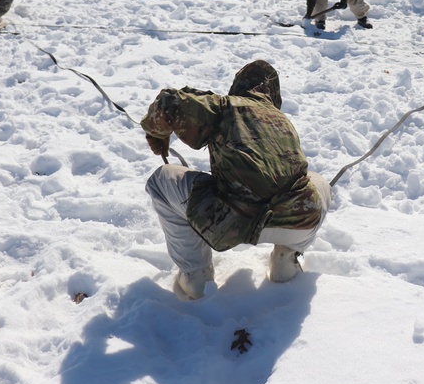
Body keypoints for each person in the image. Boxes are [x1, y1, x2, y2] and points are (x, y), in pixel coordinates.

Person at [142, 60, 332, 301]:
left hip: (230, 221)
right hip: (299, 221)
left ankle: (196, 275)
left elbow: (169, 102)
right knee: (318, 182)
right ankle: (287, 258)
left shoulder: (226, 106)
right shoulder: (282, 120)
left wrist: (155, 131)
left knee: (161, 181)